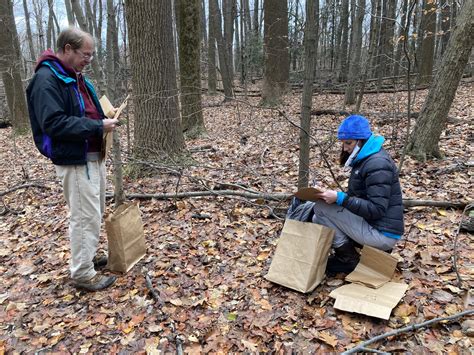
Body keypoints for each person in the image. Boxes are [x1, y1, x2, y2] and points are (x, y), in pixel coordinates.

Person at [26, 27, 119, 291]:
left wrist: (104, 117)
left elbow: (83, 111)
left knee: (95, 212)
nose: (89, 59)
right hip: (74, 159)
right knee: (84, 216)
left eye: (91, 55)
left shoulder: (73, 76)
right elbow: (54, 123)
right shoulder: (46, 79)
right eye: (85, 54)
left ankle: (87, 258)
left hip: (91, 154)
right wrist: (97, 126)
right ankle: (82, 273)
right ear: (67, 49)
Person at [287, 115, 404, 274]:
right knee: (317, 217)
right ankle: (346, 257)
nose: (345, 148)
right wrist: (331, 195)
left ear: (361, 140)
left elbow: (377, 209)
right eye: (343, 143)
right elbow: (359, 198)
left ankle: (351, 262)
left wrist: (339, 198)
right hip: (374, 226)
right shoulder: (367, 159)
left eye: (348, 143)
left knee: (320, 208)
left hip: (382, 235)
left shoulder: (377, 164)